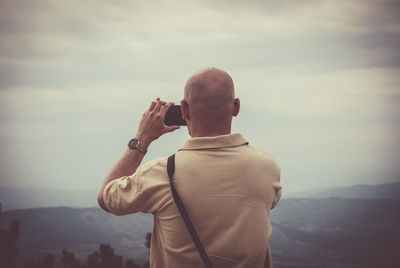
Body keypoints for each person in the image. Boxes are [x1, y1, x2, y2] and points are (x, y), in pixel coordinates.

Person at [97, 67, 282, 268]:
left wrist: (142, 139)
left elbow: (107, 197)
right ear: (236, 107)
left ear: (184, 110)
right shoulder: (267, 166)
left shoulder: (164, 173)